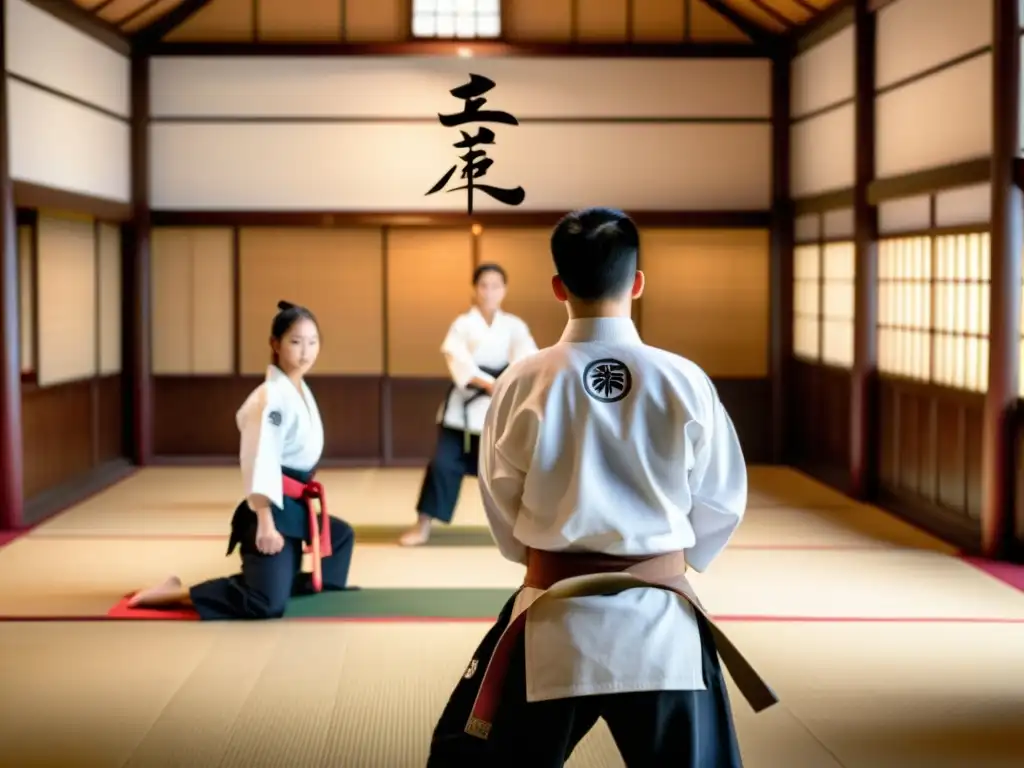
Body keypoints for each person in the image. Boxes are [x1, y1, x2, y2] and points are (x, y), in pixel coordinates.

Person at [425, 208, 776, 767]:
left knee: (464, 756)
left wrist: (546, 551)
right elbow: (720, 500)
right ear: (637, 283)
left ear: (558, 287)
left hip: (552, 614)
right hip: (664, 624)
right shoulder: (683, 378)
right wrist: (669, 557)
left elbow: (501, 500)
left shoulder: (522, 381)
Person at [127, 300, 358, 619]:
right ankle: (177, 593)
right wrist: (265, 523)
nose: (306, 351)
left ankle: (283, 579)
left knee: (341, 536)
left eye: (312, 342)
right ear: (275, 344)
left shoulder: (298, 388)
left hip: (293, 506)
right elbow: (259, 459)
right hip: (271, 509)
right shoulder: (271, 397)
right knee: (266, 603)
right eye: (295, 342)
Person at [398, 263, 539, 547]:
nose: (489, 292)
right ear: (474, 290)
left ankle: (527, 530)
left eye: (495, 286)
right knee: (442, 464)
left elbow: (527, 360)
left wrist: (503, 384)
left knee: (515, 470)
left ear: (504, 290)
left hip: (500, 410)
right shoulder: (462, 325)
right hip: (463, 411)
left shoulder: (514, 326)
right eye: (483, 285)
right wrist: (489, 383)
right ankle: (422, 525)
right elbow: (458, 360)